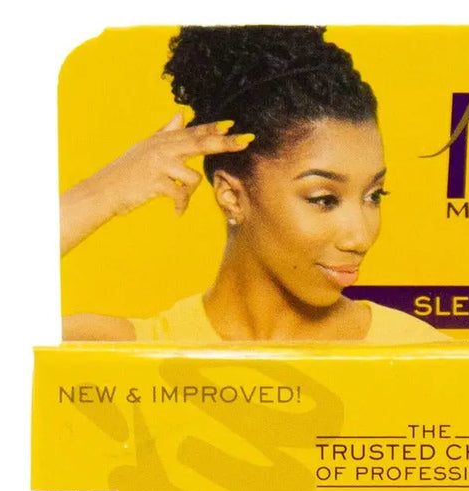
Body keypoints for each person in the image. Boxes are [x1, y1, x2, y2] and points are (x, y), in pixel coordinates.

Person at [60, 26, 443, 343]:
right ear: (232, 196)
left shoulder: (417, 354)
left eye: (374, 195)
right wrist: (102, 193)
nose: (360, 237)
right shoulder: (131, 352)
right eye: (325, 199)